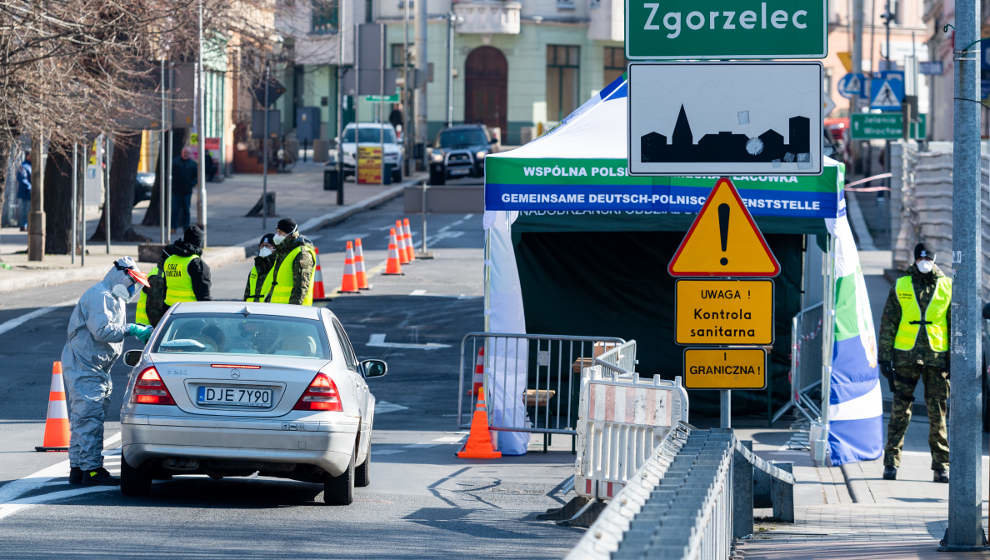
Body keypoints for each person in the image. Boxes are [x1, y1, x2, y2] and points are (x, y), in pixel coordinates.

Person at [62, 257, 152, 485]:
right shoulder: (100, 296)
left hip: (95, 366)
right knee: (88, 418)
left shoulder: (113, 297)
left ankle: (78, 468)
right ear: (122, 277)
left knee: (84, 419)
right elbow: (102, 331)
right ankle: (91, 471)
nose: (135, 289)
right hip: (85, 364)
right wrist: (131, 329)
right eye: (134, 284)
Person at [879, 243, 952, 483]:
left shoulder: (946, 285)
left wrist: (953, 358)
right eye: (920, 258)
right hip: (905, 355)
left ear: (934, 259)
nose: (924, 262)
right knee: (900, 411)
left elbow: (953, 324)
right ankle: (891, 463)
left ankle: (941, 466)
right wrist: (884, 356)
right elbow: (889, 321)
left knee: (937, 412)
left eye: (927, 259)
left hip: (937, 356)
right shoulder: (901, 283)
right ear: (915, 259)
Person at [261, 218, 316, 305]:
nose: (277, 235)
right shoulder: (283, 251)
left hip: (291, 311)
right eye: (277, 231)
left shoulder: (302, 254)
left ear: (291, 234)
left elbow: (301, 287)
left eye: (281, 232)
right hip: (278, 308)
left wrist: (292, 310)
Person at [158, 225, 211, 313]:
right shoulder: (196, 263)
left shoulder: (169, 260)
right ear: (199, 243)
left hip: (170, 311)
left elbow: (164, 288)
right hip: (190, 312)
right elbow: (203, 295)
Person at [171, 146, 198, 232]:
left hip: (187, 191)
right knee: (175, 210)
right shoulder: (175, 162)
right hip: (176, 191)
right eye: (184, 152)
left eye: (188, 153)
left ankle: (186, 227)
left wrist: (192, 184)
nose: (186, 154)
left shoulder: (193, 164)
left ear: (190, 154)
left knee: (186, 210)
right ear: (181, 153)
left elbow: (196, 177)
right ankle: (173, 227)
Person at [244, 233, 276, 302]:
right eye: (262, 246)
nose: (264, 248)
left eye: (267, 246)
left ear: (274, 248)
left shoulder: (277, 268)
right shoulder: (255, 269)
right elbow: (247, 294)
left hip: (267, 310)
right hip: (252, 309)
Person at [16, 151, 31, 231]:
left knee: (28, 210)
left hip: (30, 193)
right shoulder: (24, 166)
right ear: (27, 156)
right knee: (25, 210)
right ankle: (24, 225)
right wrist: (31, 187)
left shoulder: (31, 166)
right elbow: (22, 179)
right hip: (25, 193)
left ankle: (27, 225)